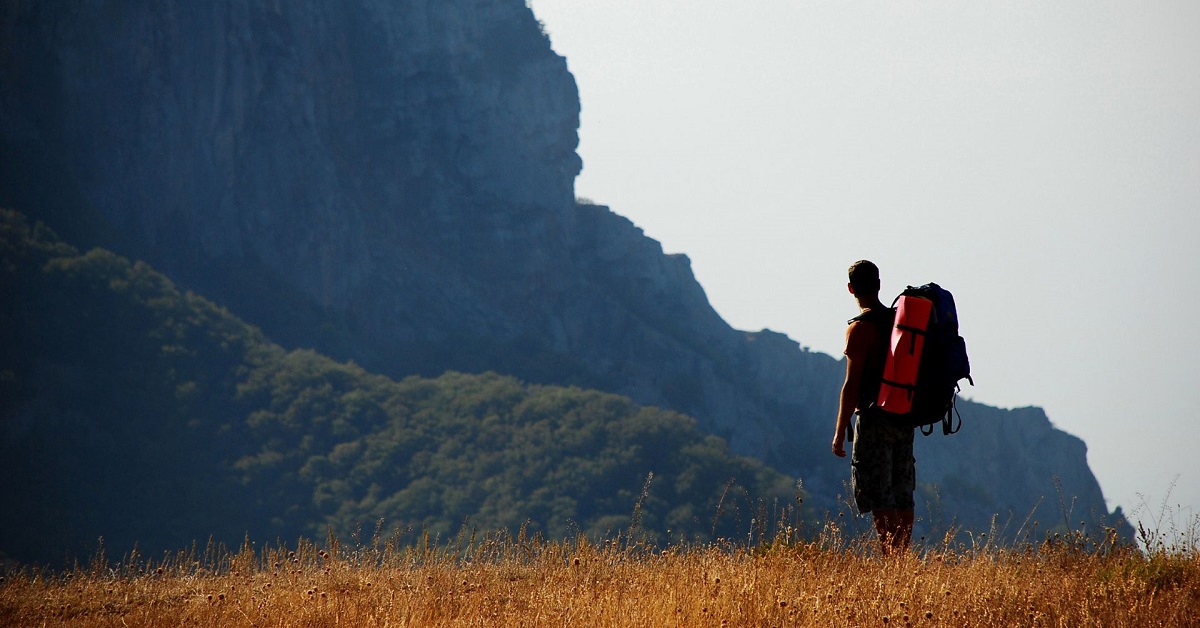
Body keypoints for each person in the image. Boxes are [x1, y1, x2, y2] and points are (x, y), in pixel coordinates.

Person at [831, 260, 915, 553]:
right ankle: (902, 560)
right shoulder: (899, 322)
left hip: (874, 420)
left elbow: (851, 385)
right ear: (879, 284)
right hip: (904, 418)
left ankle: (893, 564)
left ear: (851, 289)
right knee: (902, 494)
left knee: (880, 496)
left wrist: (840, 430)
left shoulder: (859, 329)